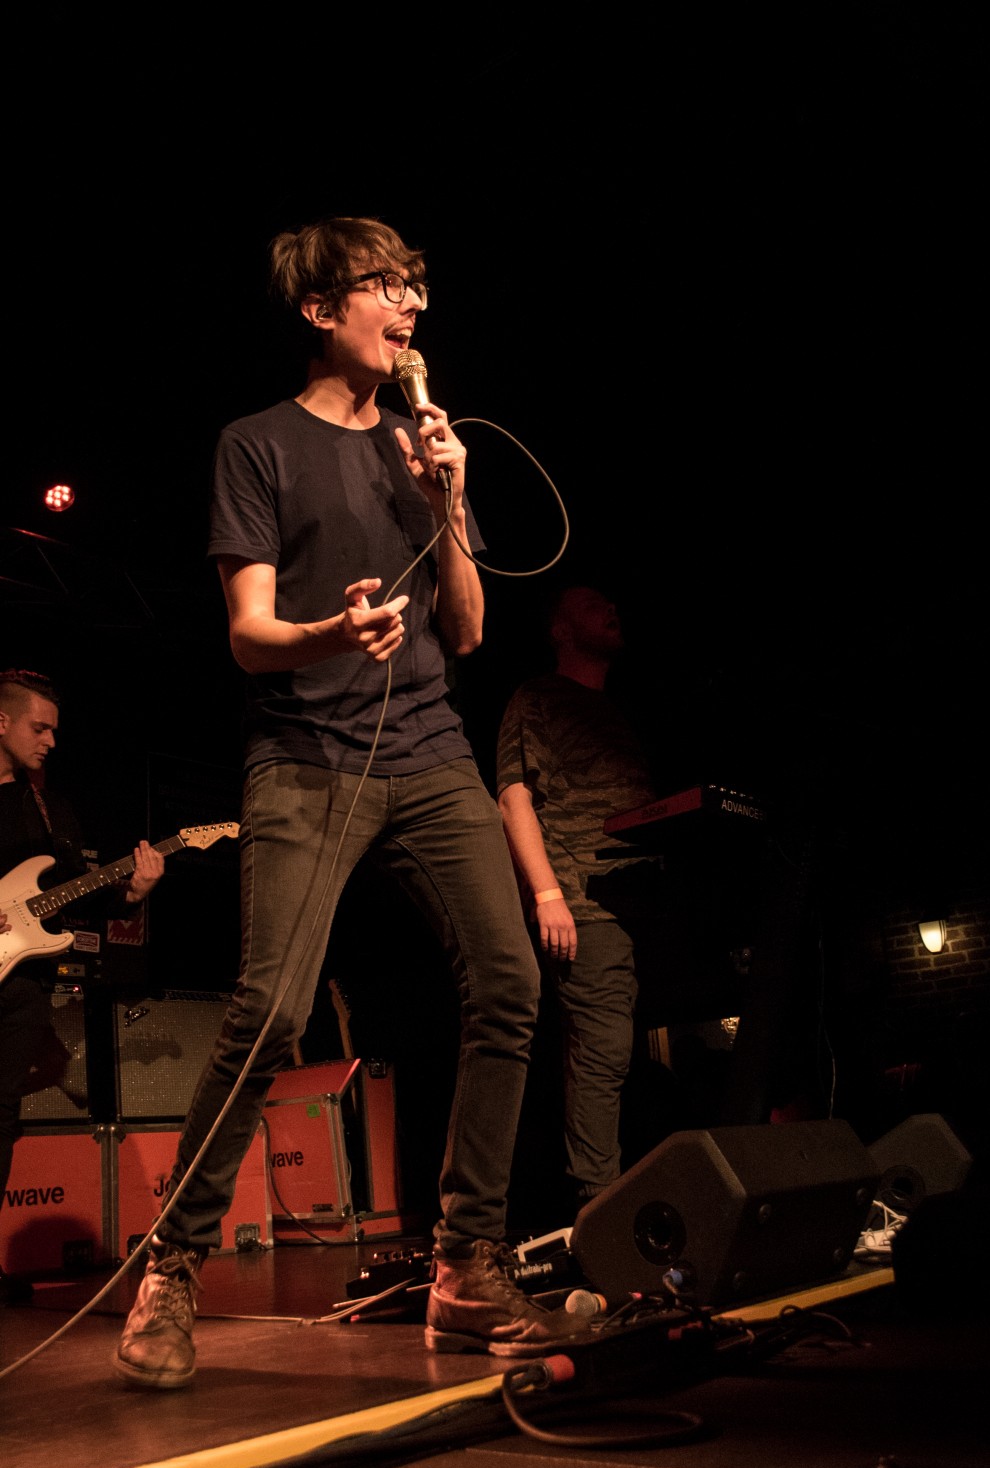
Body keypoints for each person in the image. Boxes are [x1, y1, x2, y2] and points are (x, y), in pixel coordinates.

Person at [113, 214, 589, 1389]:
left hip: (428, 752)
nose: (410, 305)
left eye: (415, 286)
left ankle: (466, 1264)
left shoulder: (421, 446)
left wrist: (448, 500)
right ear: (321, 310)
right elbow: (248, 634)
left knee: (510, 982)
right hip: (304, 757)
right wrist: (332, 631)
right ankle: (172, 1266)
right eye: (384, 285)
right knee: (272, 1013)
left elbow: (465, 631)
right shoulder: (257, 444)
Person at [496, 584, 682, 1215]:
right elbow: (513, 798)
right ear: (559, 629)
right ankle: (598, 1209)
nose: (611, 607)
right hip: (584, 903)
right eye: (591, 602)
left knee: (635, 1056)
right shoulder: (539, 698)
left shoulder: (618, 713)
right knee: (601, 1051)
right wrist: (547, 894)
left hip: (644, 903)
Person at [0, 668, 165, 1304]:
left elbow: (75, 896)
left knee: (0, 1120)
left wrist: (131, 893)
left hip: (20, 986)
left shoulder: (52, 810)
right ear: (2, 722)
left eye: (54, 730)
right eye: (39, 728)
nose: (50, 741)